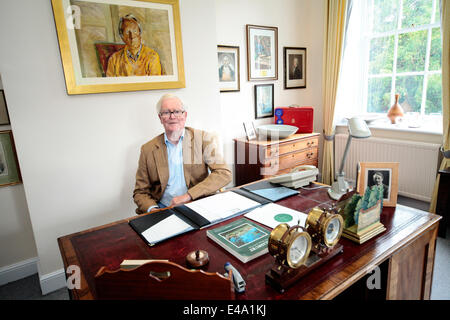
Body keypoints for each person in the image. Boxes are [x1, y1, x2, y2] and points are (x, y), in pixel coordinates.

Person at [133, 94, 232, 214]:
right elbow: (140, 192)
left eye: (177, 112)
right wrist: (154, 210)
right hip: (163, 208)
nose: (172, 116)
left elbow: (224, 173)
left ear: (185, 115)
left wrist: (188, 196)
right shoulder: (148, 149)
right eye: (166, 112)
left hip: (196, 203)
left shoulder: (203, 139)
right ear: (160, 118)